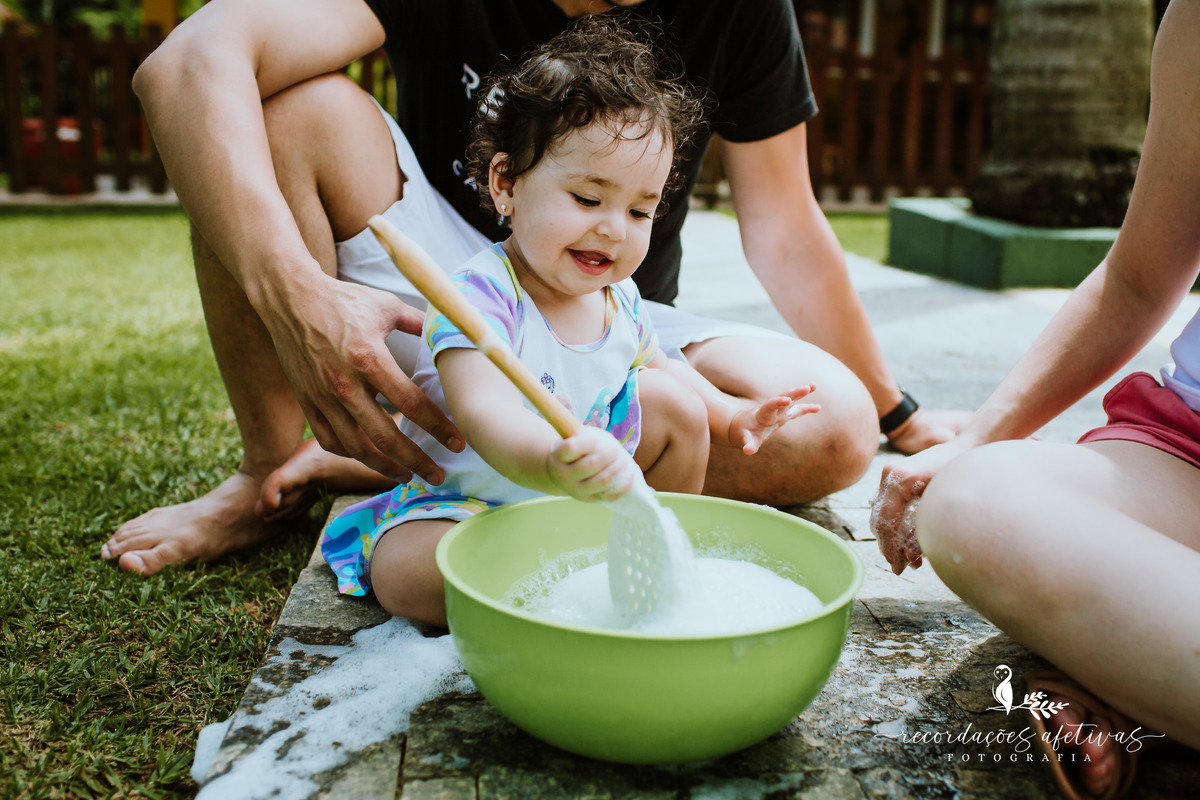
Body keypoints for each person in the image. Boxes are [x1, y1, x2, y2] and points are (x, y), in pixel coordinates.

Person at [102, 0, 959, 576]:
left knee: (833, 427)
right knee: (283, 110)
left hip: (610, 328)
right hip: (442, 295)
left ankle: (488, 482)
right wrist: (296, 297)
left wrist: (896, 412)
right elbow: (185, 68)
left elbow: (783, 224)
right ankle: (273, 468)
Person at [322, 19, 818, 626]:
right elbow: (488, 418)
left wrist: (731, 412)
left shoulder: (620, 297)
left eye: (641, 209)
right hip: (467, 504)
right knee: (407, 575)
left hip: (582, 503)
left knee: (674, 405)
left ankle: (645, 549)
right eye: (587, 199)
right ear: (506, 184)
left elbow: (662, 368)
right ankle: (548, 576)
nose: (614, 227)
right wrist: (553, 463)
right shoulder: (477, 298)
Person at [871, 2, 1200, 797]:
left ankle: (1142, 703)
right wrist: (975, 437)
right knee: (976, 504)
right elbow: (1138, 277)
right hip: (1186, 454)